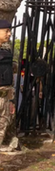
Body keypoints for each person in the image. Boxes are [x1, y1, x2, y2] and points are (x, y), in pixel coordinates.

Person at [0, 20, 18, 152]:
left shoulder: (6, 51)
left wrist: (10, 100)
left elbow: (9, 79)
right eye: (6, 31)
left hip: (5, 98)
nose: (9, 33)